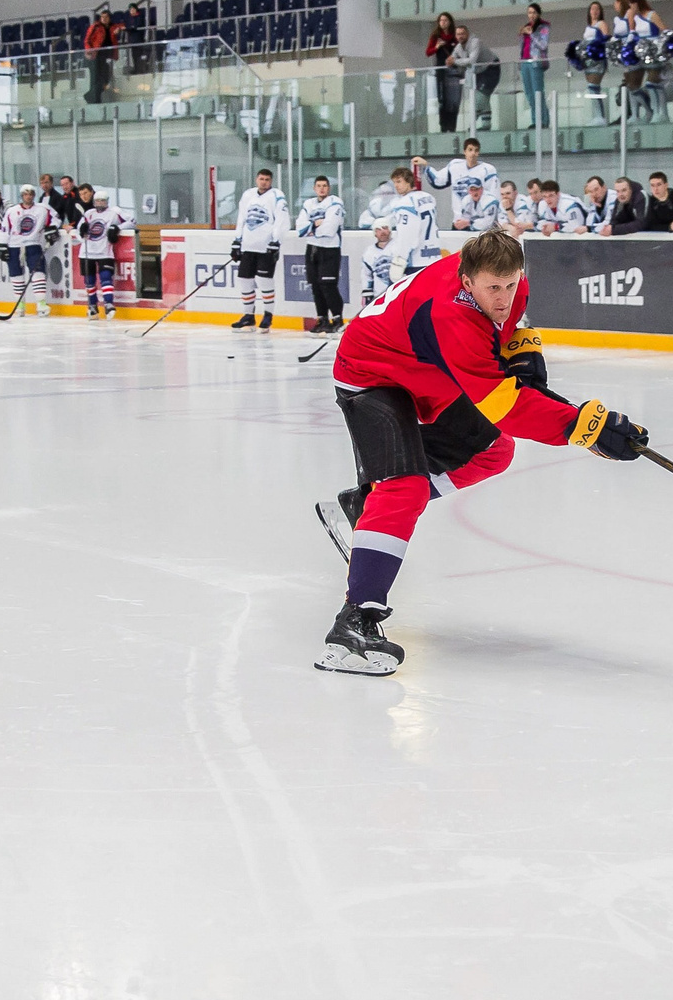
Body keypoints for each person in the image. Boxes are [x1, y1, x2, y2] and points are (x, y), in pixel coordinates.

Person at [317, 227, 649, 674]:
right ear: (466, 280)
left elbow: (512, 334)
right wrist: (582, 427)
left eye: (512, 285)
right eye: (494, 288)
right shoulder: (452, 316)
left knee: (494, 449)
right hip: (371, 374)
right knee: (405, 488)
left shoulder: (508, 282)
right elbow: (505, 405)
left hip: (423, 371)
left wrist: (524, 352)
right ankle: (355, 621)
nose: (505, 296)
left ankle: (363, 506)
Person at [229, 168, 290, 330]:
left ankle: (268, 315)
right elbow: (241, 218)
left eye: (267, 179)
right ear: (257, 179)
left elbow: (282, 220)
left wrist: (276, 241)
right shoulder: (248, 195)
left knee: (264, 281)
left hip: (266, 247)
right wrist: (237, 241)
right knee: (245, 280)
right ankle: (248, 316)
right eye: (261, 179)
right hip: (248, 246)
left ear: (271, 181)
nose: (264, 182)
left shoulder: (277, 196)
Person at [296, 174, 346, 334]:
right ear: (314, 188)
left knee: (328, 286)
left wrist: (310, 229)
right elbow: (300, 228)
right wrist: (315, 225)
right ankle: (322, 318)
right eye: (319, 186)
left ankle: (338, 319)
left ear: (329, 188)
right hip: (312, 250)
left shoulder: (335, 202)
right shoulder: (308, 203)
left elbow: (330, 229)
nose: (322, 188)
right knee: (316, 286)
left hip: (330, 249)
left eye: (325, 186)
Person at [73, 189, 131, 319]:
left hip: (105, 251)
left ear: (107, 202)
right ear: (94, 202)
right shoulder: (88, 214)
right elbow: (78, 231)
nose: (100, 203)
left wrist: (117, 228)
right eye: (97, 200)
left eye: (102, 200)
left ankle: (108, 303)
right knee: (89, 281)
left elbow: (131, 221)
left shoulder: (114, 213)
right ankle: (92, 305)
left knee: (106, 278)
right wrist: (81, 232)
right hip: (87, 252)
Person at [2, 185, 58, 315]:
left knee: (38, 273)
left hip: (33, 244)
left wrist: (53, 228)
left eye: (31, 194)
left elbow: (56, 220)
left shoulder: (43, 209)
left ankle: (41, 304)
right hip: (14, 246)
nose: (29, 196)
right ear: (22, 196)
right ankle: (20, 305)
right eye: (26, 194)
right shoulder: (12, 211)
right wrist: (2, 246)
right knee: (16, 276)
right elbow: (5, 229)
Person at [431, 138, 502, 231]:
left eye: (476, 150)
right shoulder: (455, 166)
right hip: (459, 222)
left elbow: (494, 198)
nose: (473, 153)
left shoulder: (488, 170)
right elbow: (438, 180)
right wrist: (425, 166)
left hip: (481, 224)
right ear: (464, 151)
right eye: (470, 150)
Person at [382, 165, 442, 269]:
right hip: (435, 257)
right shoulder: (429, 197)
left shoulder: (405, 203)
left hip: (417, 261)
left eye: (399, 181)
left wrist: (400, 258)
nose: (396, 185)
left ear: (408, 181)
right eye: (394, 182)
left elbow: (407, 235)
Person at [572, 0, 612, 123]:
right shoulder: (588, 26)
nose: (594, 11)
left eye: (597, 9)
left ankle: (600, 117)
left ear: (600, 12)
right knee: (592, 89)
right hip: (588, 61)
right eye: (592, 9)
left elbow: (606, 39)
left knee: (594, 87)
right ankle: (597, 115)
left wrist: (596, 48)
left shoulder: (601, 24)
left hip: (597, 59)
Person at [454, 24, 501, 128]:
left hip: (490, 69)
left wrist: (456, 61)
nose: (460, 36)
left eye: (462, 34)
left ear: (467, 34)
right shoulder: (458, 47)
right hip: (478, 72)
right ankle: (486, 124)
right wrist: (453, 61)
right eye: (458, 34)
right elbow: (451, 60)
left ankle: (473, 126)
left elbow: (472, 60)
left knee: (480, 97)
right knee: (482, 99)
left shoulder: (475, 42)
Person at [517, 3, 554, 130]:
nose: (531, 15)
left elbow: (543, 45)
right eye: (529, 13)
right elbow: (522, 47)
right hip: (525, 62)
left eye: (533, 12)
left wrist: (532, 33)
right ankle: (535, 120)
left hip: (536, 62)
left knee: (537, 92)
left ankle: (543, 120)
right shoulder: (526, 27)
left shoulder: (543, 27)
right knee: (529, 93)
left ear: (538, 13)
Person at [426, 11, 460, 133]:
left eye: (445, 20)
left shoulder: (455, 36)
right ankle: (443, 126)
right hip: (441, 69)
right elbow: (428, 52)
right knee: (442, 99)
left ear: (450, 22)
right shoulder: (436, 36)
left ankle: (452, 126)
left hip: (453, 70)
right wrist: (437, 46)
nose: (443, 23)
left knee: (453, 99)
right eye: (441, 20)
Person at [359, 215, 404, 300]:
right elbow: (366, 275)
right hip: (379, 296)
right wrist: (367, 294)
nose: (382, 232)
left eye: (385, 228)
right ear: (375, 233)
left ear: (390, 230)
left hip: (399, 293)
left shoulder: (399, 247)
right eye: (378, 229)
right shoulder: (369, 252)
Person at [83, 7, 119, 105]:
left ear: (109, 18)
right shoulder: (95, 26)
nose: (103, 19)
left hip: (107, 55)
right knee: (96, 78)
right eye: (102, 17)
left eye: (106, 17)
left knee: (105, 77)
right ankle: (95, 99)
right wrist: (90, 51)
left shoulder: (113, 27)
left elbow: (121, 26)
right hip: (96, 55)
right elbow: (87, 40)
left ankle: (90, 95)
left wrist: (119, 30)